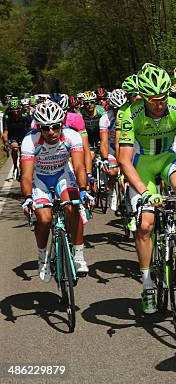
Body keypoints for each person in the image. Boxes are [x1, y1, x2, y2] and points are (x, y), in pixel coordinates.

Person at [118, 63, 176, 314]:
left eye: (163, 98)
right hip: (141, 164)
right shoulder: (129, 114)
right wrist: (144, 192)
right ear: (142, 96)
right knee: (145, 225)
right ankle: (147, 286)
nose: (159, 103)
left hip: (167, 157)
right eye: (153, 99)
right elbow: (123, 159)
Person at [20, 101, 91, 281]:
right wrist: (27, 198)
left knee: (72, 208)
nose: (51, 131)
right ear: (39, 128)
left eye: (55, 126)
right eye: (46, 128)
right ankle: (42, 258)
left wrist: (83, 191)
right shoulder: (30, 141)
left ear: (62, 124)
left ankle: (79, 255)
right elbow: (27, 175)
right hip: (40, 179)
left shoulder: (72, 136)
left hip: (62, 175)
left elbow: (79, 166)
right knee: (44, 219)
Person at [99, 89, 126, 212]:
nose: (119, 112)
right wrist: (105, 159)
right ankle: (112, 192)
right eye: (116, 109)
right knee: (113, 172)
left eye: (122, 108)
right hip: (111, 149)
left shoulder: (132, 115)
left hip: (126, 147)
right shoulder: (105, 118)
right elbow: (104, 141)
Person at [2, 97, 31, 179]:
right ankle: (15, 166)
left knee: (24, 153)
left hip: (24, 135)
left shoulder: (25, 114)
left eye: (17, 109)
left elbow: (30, 128)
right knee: (14, 149)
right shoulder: (7, 116)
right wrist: (6, 143)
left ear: (20, 108)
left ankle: (23, 168)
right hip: (12, 135)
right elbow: (5, 132)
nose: (15, 112)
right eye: (13, 110)